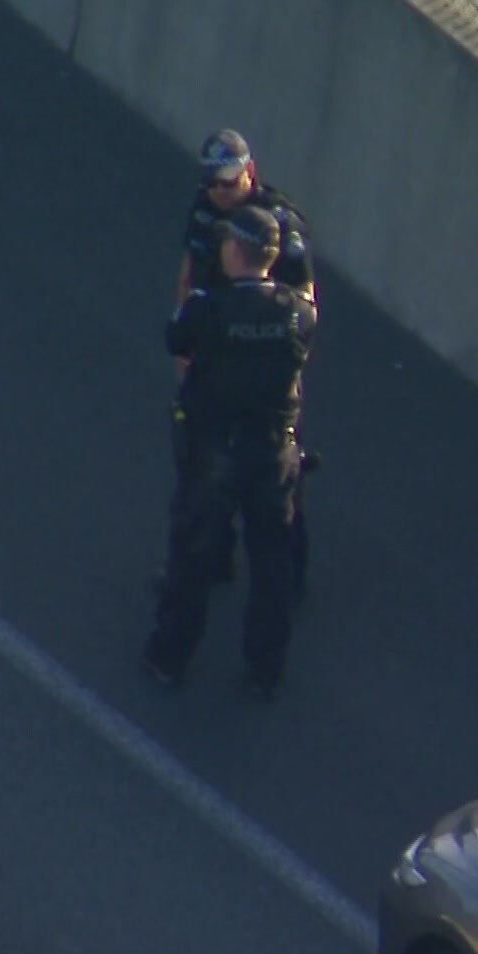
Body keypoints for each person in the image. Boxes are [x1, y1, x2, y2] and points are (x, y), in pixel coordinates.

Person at [143, 205, 317, 697]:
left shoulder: (208, 307)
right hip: (272, 451)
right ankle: (266, 667)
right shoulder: (296, 315)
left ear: (234, 250)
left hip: (216, 450)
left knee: (192, 557)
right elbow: (309, 313)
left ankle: (169, 657)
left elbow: (176, 338)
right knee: (272, 560)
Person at [171, 129, 319, 600]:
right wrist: (185, 356)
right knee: (199, 469)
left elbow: (306, 301)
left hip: (265, 369)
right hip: (215, 352)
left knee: (277, 482)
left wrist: (289, 371)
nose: (220, 192)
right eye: (213, 183)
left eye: (229, 183)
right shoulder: (204, 210)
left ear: (249, 173)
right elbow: (190, 273)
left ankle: (290, 578)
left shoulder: (280, 226)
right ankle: (209, 562)